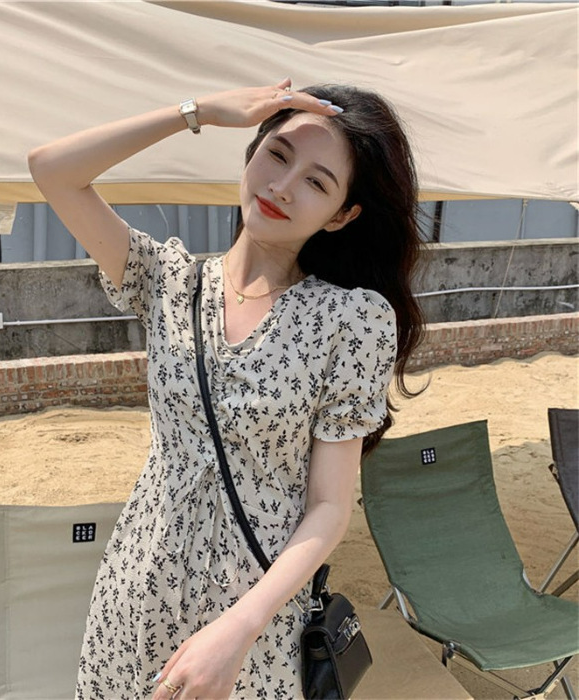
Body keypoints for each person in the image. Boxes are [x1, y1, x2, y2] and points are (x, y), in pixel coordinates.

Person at [28, 78, 424, 700]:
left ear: (343, 215)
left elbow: (329, 507)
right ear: (251, 152)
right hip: (133, 591)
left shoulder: (351, 320)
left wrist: (238, 629)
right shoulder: (166, 281)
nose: (282, 186)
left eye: (317, 182)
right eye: (277, 154)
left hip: (251, 622)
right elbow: (52, 169)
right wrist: (201, 111)